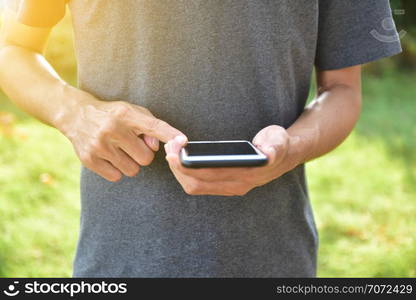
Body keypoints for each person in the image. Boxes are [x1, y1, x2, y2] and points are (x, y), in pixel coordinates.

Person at [0, 0, 401, 277]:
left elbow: (343, 89)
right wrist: (73, 112)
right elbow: (12, 47)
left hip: (273, 259)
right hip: (122, 260)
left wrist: (292, 148)